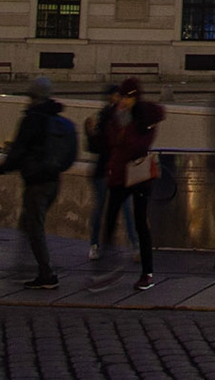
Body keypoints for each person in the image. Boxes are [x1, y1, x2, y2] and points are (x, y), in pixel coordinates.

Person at [0, 76, 74, 290]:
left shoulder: (33, 119)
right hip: (54, 180)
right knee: (29, 222)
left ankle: (46, 273)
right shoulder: (57, 118)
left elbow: (18, 151)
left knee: (34, 227)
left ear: (33, 96)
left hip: (36, 182)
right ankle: (26, 262)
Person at [95, 77, 164, 290]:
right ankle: (106, 267)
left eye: (128, 97)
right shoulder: (115, 115)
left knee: (141, 223)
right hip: (118, 175)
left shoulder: (144, 117)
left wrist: (124, 135)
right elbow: (107, 142)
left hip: (139, 176)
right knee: (110, 218)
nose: (124, 101)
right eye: (123, 96)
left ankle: (147, 273)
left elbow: (139, 144)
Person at [84, 85, 138, 261]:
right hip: (110, 170)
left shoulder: (117, 118)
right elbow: (99, 145)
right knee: (114, 208)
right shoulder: (110, 118)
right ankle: (101, 245)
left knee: (116, 208)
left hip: (112, 169)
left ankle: (101, 245)